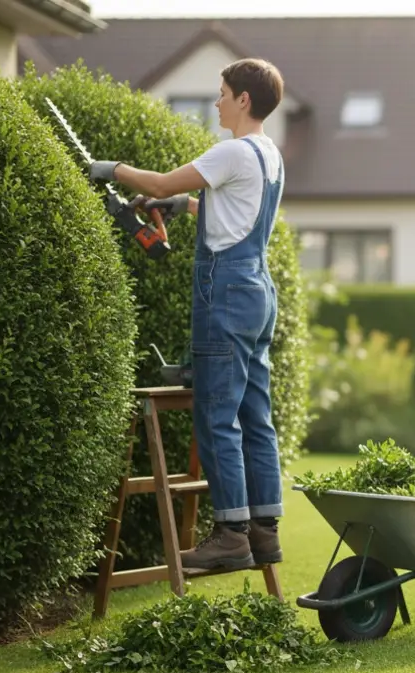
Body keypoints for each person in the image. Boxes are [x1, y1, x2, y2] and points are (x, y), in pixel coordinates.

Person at [89, 58, 288, 572]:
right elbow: (234, 210)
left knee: (216, 414)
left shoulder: (231, 151)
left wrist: (111, 170)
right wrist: (186, 206)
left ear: (244, 99)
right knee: (254, 415)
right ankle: (264, 531)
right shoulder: (269, 155)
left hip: (224, 292)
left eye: (223, 93)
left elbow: (154, 183)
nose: (218, 101)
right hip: (258, 291)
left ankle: (230, 536)